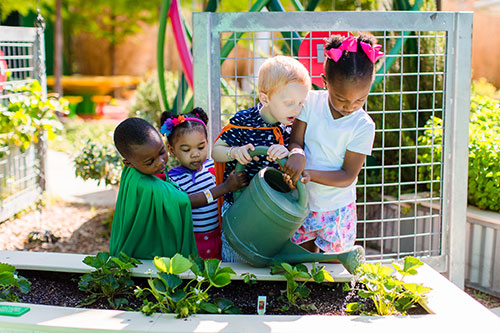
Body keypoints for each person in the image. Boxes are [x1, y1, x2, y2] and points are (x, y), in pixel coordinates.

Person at [283, 33, 383, 254]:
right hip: (303, 202)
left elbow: (348, 175)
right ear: (325, 82)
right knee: (300, 262)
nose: (350, 106)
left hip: (337, 210)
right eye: (341, 99)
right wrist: (296, 153)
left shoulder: (363, 125)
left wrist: (310, 174)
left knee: (334, 271)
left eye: (360, 99)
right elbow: (296, 140)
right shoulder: (310, 102)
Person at [212, 55, 311, 262]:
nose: (296, 109)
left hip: (274, 206)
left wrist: (288, 152)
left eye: (301, 103)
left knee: (267, 258)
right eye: (289, 103)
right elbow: (216, 150)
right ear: (265, 99)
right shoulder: (244, 121)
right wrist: (234, 152)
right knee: (236, 255)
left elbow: (299, 155)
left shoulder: (292, 127)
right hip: (240, 202)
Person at [159, 107, 247, 260]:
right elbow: (187, 202)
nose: (195, 154)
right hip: (191, 242)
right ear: (171, 150)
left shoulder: (213, 168)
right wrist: (225, 187)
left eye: (201, 147)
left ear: (208, 142)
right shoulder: (173, 179)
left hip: (219, 237)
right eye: (186, 150)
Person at [109, 117, 198, 259]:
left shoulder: (134, 170)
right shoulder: (147, 186)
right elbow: (184, 201)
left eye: (162, 151)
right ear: (129, 163)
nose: (160, 162)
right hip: (149, 258)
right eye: (150, 161)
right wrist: (225, 187)